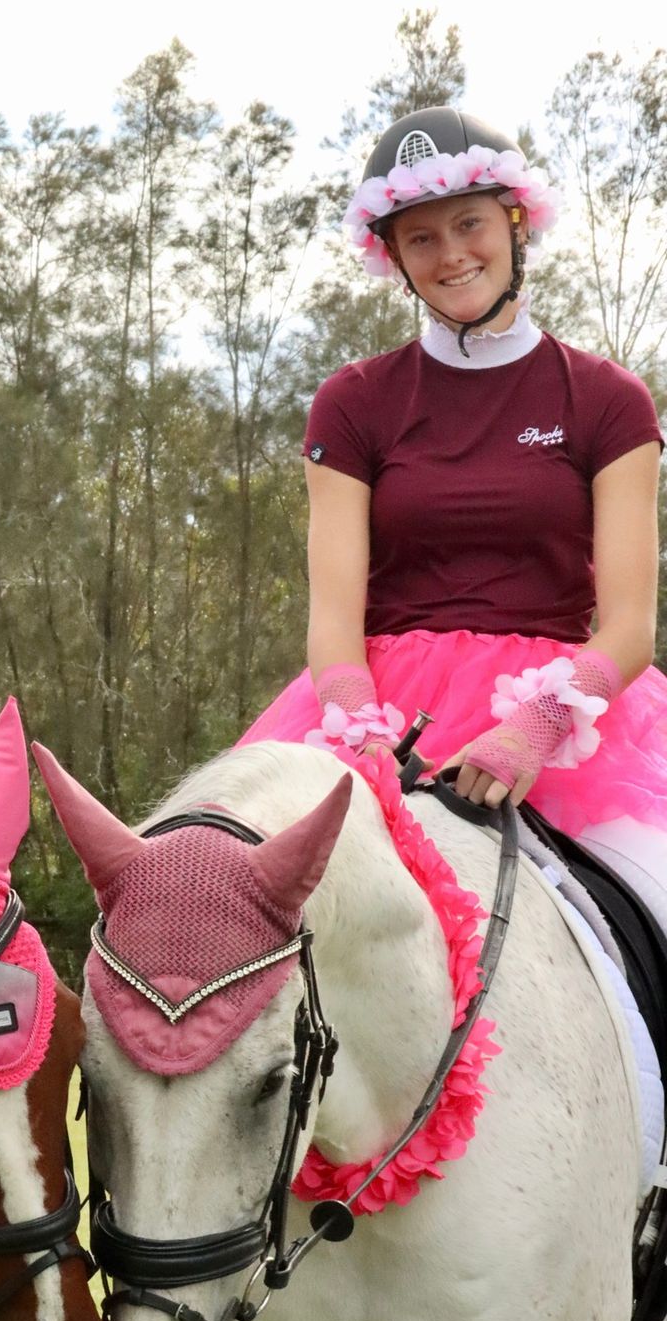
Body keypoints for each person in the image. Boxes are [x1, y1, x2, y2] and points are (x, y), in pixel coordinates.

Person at [239, 106, 667, 919]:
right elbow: (333, 620)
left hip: (569, 720)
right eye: (421, 238)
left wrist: (536, 727)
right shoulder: (353, 402)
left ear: (514, 223)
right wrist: (362, 735)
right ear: (395, 257)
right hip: (379, 711)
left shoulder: (610, 400)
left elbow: (631, 628)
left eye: (468, 223)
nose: (451, 254)